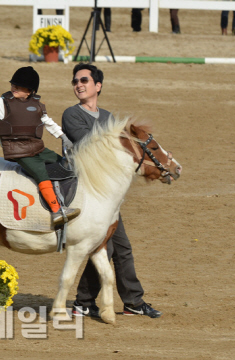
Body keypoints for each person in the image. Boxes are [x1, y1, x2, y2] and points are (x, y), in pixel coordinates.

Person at [62, 63, 162, 319]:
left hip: (106, 197)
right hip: (83, 191)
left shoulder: (108, 118)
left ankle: (120, 302)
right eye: (75, 81)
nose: (78, 85)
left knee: (120, 247)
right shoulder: (72, 115)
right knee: (105, 247)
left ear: (98, 86)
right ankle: (92, 301)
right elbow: (88, 146)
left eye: (84, 80)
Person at [0, 64, 80, 226]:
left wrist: (63, 137)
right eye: (13, 84)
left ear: (30, 91)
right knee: (40, 173)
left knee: (61, 162)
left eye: (20, 86)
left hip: (38, 148)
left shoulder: (37, 105)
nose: (14, 87)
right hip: (21, 152)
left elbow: (48, 122)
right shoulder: (3, 105)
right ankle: (56, 211)